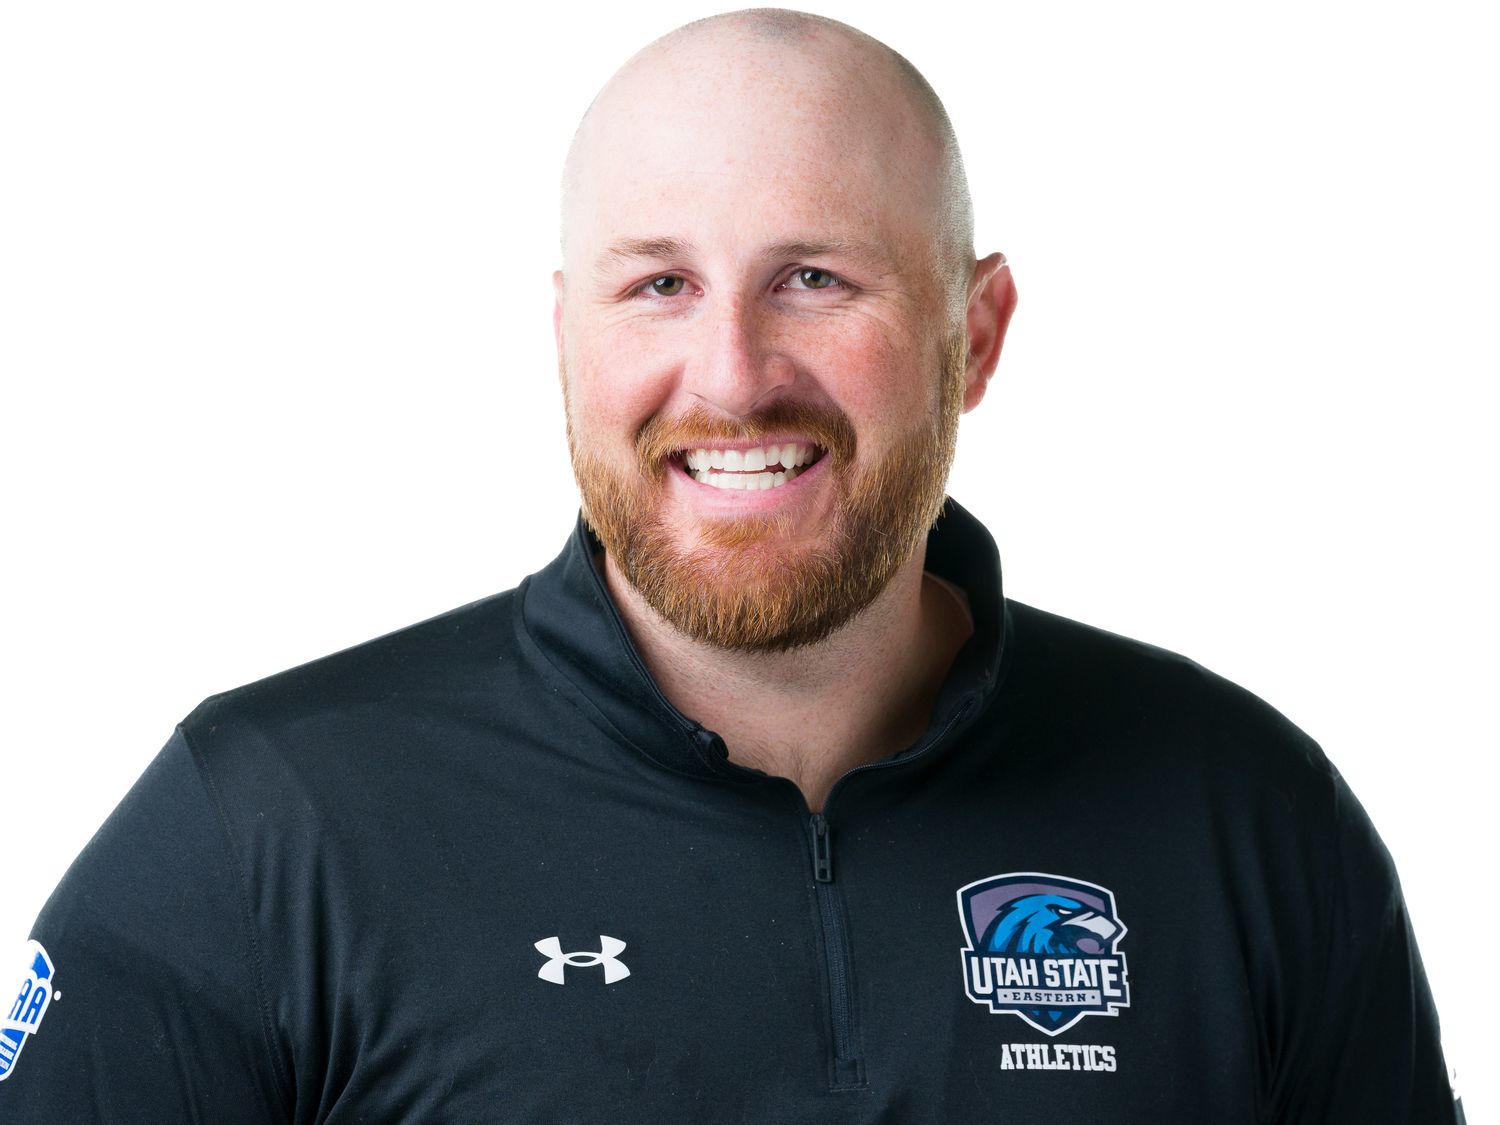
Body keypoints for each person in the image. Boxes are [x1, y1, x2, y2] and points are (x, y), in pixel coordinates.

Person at [2, 9, 1464, 1122]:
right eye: (659, 285)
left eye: (814, 279)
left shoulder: (1247, 819)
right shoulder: (261, 831)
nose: (732, 376)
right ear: (566, 340)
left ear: (976, 336)